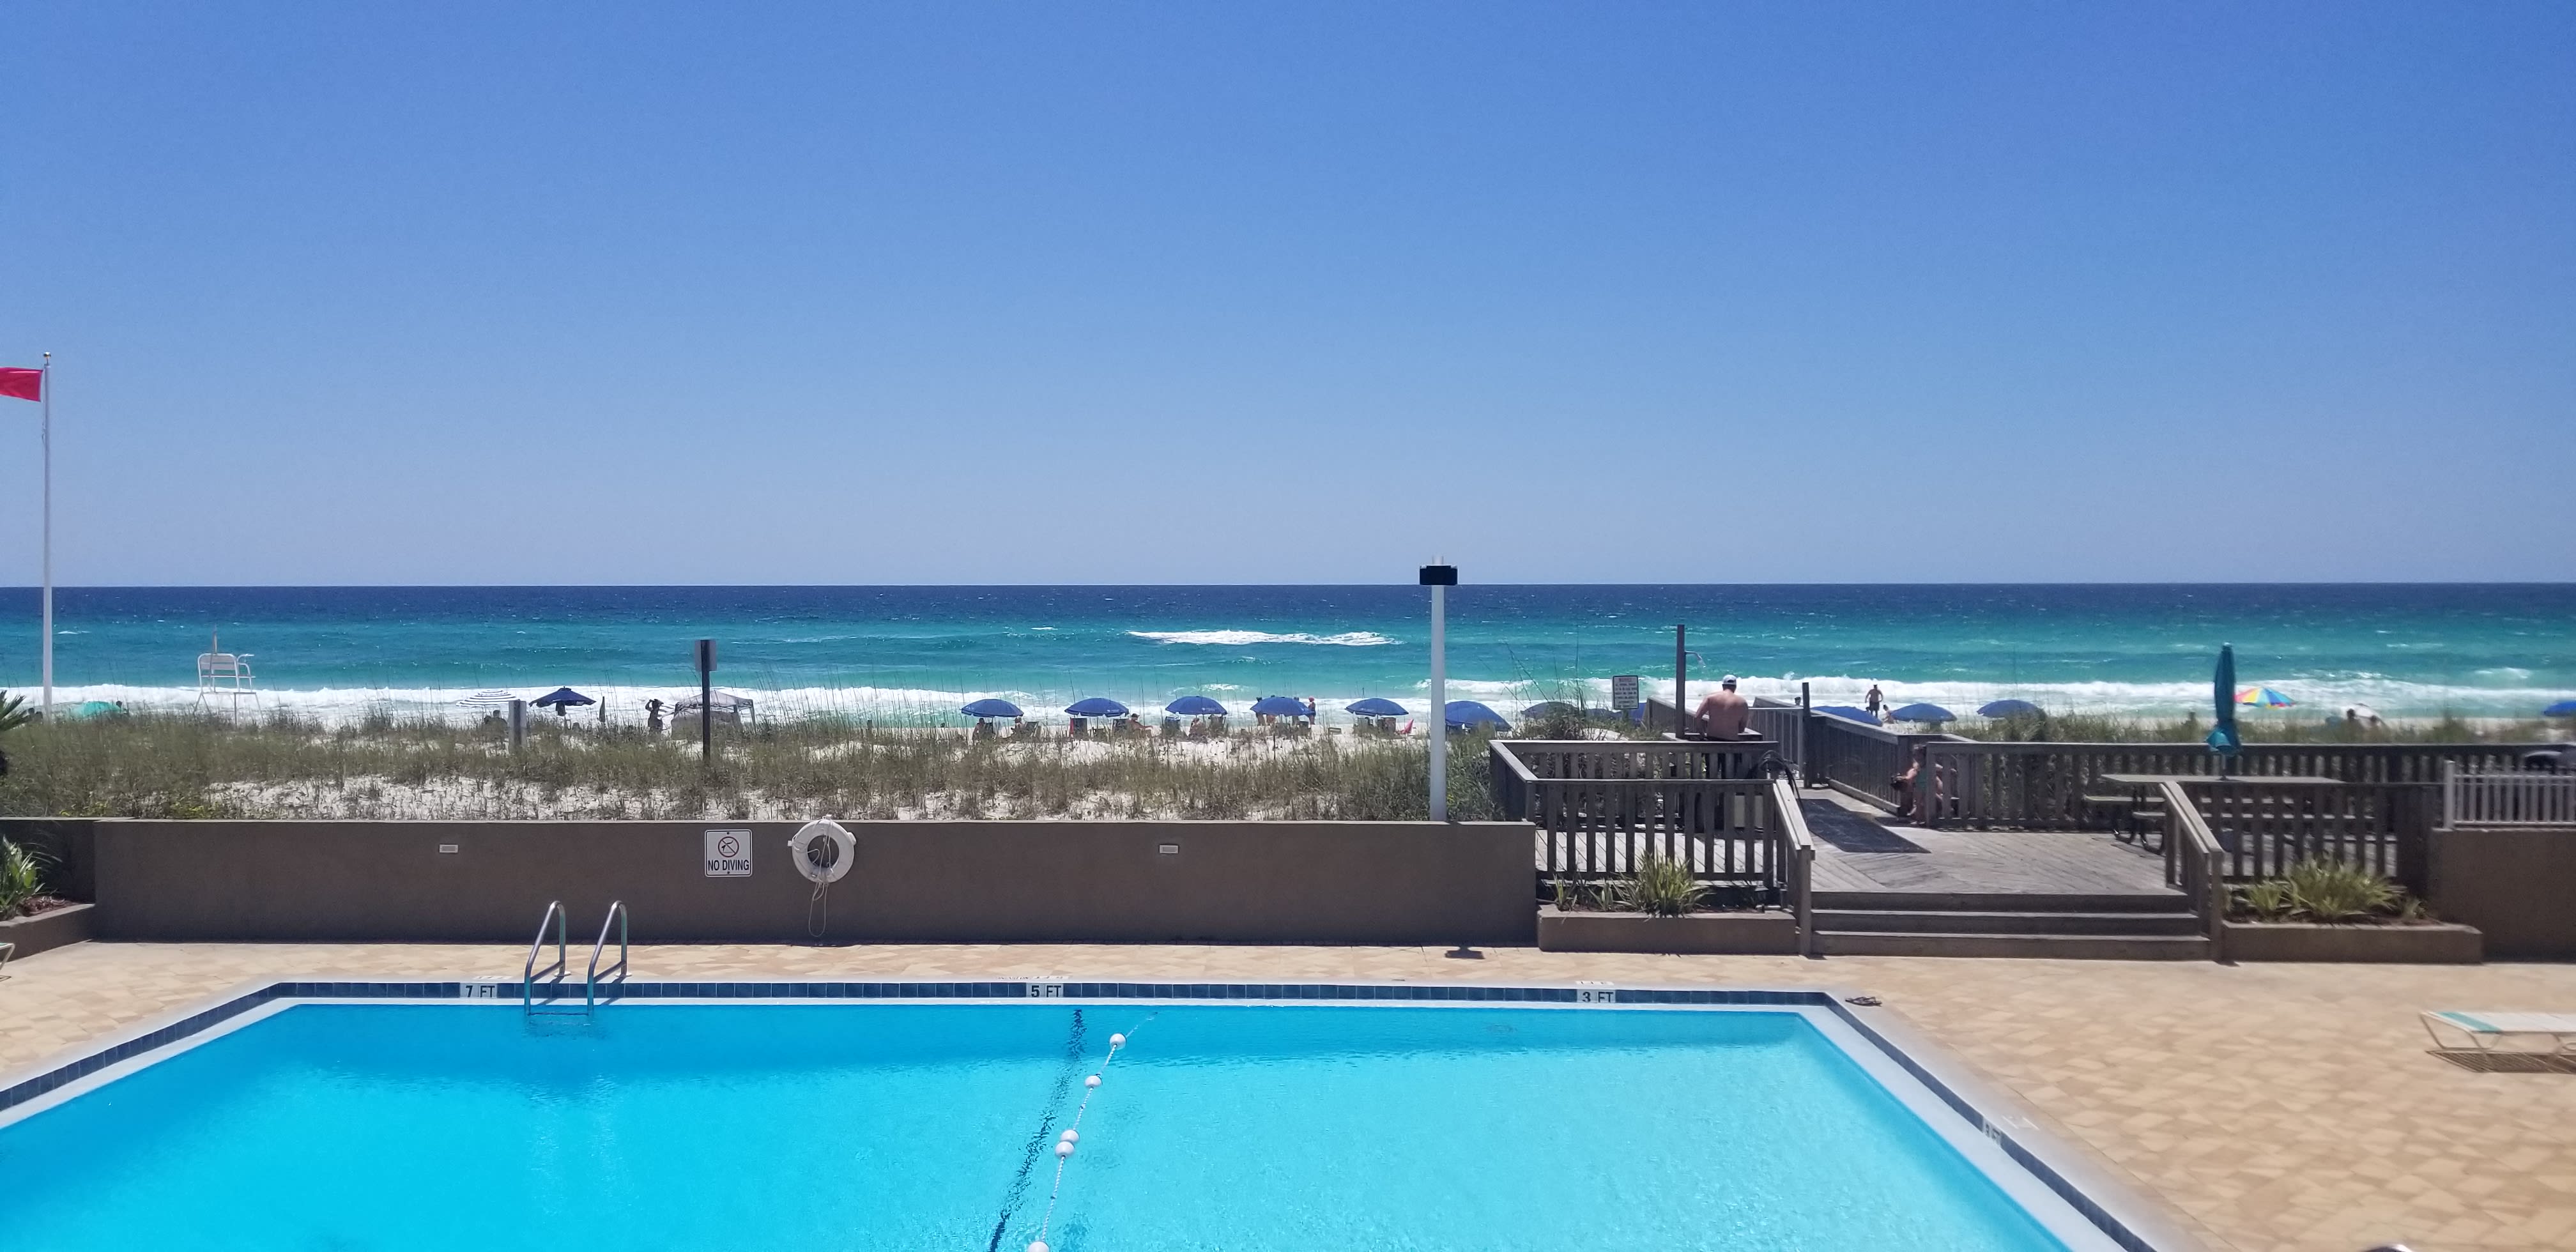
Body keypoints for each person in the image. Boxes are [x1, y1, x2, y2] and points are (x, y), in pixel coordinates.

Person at [1693, 675, 1752, 740]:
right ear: (1735, 687)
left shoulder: (1710, 698)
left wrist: (1702, 734)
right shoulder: (1743, 702)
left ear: (1723, 686)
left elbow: (1697, 717)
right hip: (1732, 741)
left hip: (1713, 739)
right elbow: (1742, 727)